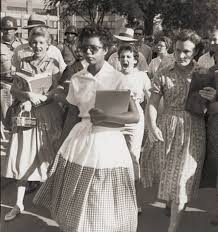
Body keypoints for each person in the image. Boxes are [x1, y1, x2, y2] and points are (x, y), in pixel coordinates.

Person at [34, 24, 139, 232]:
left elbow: (134, 116)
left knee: (102, 194)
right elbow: (73, 114)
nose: (88, 52)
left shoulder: (117, 78)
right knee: (77, 193)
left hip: (108, 141)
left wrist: (106, 116)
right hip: (80, 140)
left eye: (94, 48)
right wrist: (60, 145)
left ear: (106, 49)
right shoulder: (77, 78)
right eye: (84, 48)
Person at [140, 29, 206, 232]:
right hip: (167, 126)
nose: (181, 55)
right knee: (167, 173)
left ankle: (172, 228)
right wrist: (151, 125)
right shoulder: (163, 71)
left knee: (181, 181)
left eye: (187, 51)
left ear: (194, 52)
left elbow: (211, 107)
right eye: (178, 50)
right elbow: (152, 102)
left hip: (193, 130)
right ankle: (171, 202)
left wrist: (212, 99)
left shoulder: (203, 73)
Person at [3, 26, 63, 221]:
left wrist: (45, 98)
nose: (38, 46)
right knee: (23, 157)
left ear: (48, 45)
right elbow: (14, 90)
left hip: (48, 115)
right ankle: (18, 203)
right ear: (30, 44)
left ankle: (55, 204)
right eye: (34, 43)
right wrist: (27, 94)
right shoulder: (23, 63)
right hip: (26, 115)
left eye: (41, 43)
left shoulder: (54, 65)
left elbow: (59, 90)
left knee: (50, 156)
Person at [118, 44, 151, 213]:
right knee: (116, 159)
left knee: (133, 158)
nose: (125, 60)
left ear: (135, 60)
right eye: (122, 57)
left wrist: (153, 121)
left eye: (128, 57)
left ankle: (134, 200)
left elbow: (151, 98)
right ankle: (117, 198)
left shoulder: (142, 76)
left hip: (135, 119)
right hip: (117, 117)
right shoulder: (114, 76)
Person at [1, 16, 26, 131]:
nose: (7, 31)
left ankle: (15, 142)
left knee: (21, 117)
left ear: (15, 30)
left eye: (10, 29)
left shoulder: (24, 44)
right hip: (5, 85)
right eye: (4, 29)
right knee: (6, 118)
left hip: (21, 86)